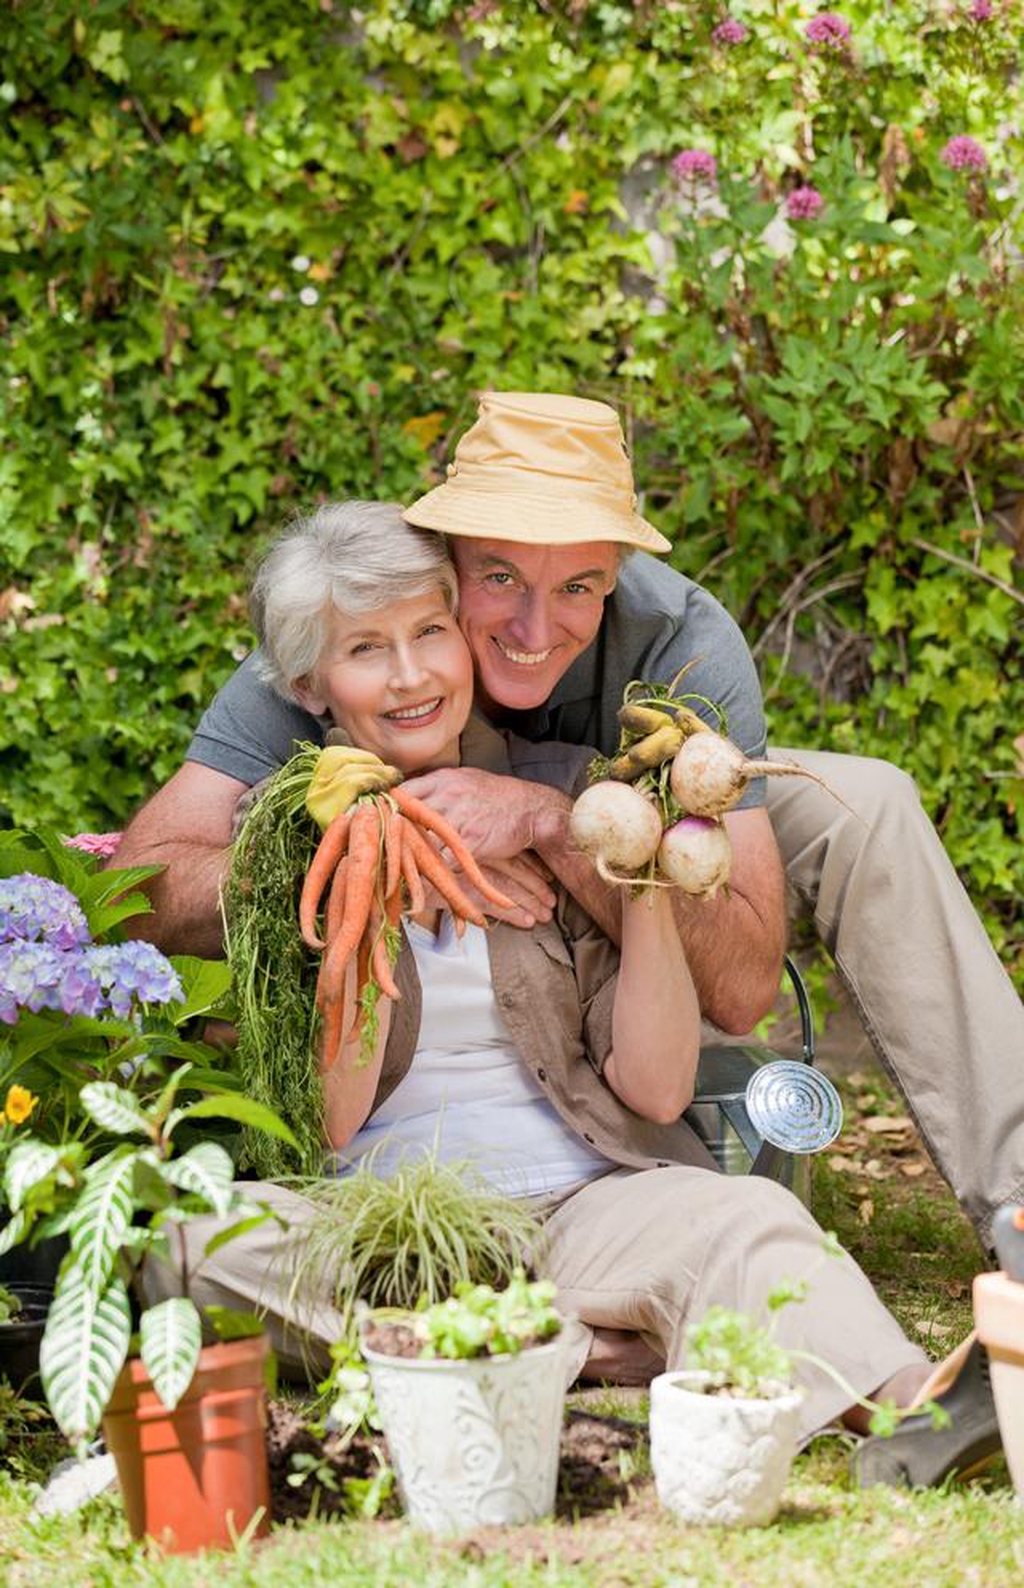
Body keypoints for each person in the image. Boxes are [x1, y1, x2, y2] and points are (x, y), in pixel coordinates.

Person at [144, 501, 993, 1485]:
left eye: (430, 633)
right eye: (367, 650)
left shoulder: (574, 794)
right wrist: (364, 892)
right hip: (379, 1225)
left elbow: (659, 1088)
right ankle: (579, 1345)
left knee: (748, 1219)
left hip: (582, 1201)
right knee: (186, 1244)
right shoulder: (286, 839)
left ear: (463, 638)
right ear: (309, 687)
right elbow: (329, 1123)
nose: (411, 675)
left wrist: (630, 875)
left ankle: (916, 1408)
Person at [115, 391, 1024, 1255]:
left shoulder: (680, 639)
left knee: (869, 802)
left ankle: (1018, 1195)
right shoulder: (369, 616)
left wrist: (551, 823)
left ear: (617, 574)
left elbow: (742, 990)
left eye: (579, 586)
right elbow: (142, 888)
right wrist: (378, 841)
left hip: (631, 809)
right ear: (445, 559)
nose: (533, 628)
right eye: (499, 577)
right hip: (386, 810)